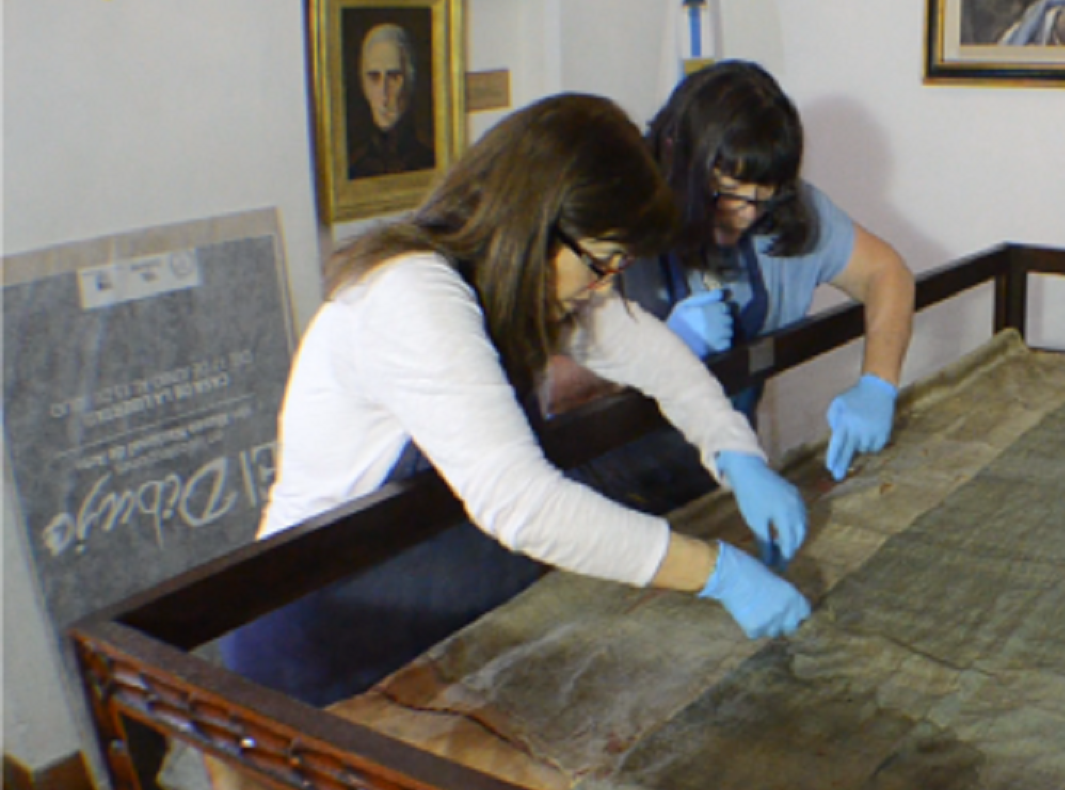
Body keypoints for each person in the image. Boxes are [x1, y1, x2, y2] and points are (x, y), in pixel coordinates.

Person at [223, 93, 811, 706]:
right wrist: (718, 572)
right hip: (328, 639)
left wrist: (738, 458)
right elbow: (524, 505)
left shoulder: (523, 288)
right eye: (602, 264)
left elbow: (664, 364)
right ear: (540, 225)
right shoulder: (410, 295)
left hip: (438, 623)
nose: (604, 286)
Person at [553, 60, 915, 512]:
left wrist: (878, 384)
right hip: (598, 489)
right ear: (673, 154)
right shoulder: (614, 219)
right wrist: (663, 349)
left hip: (719, 478)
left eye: (761, 200)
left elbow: (887, 273)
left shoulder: (785, 214)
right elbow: (545, 385)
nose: (745, 215)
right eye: (726, 194)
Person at [347, 22, 435, 179]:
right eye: (374, 77)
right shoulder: (353, 165)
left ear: (410, 82)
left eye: (394, 77)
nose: (384, 94)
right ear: (363, 84)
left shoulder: (430, 159)